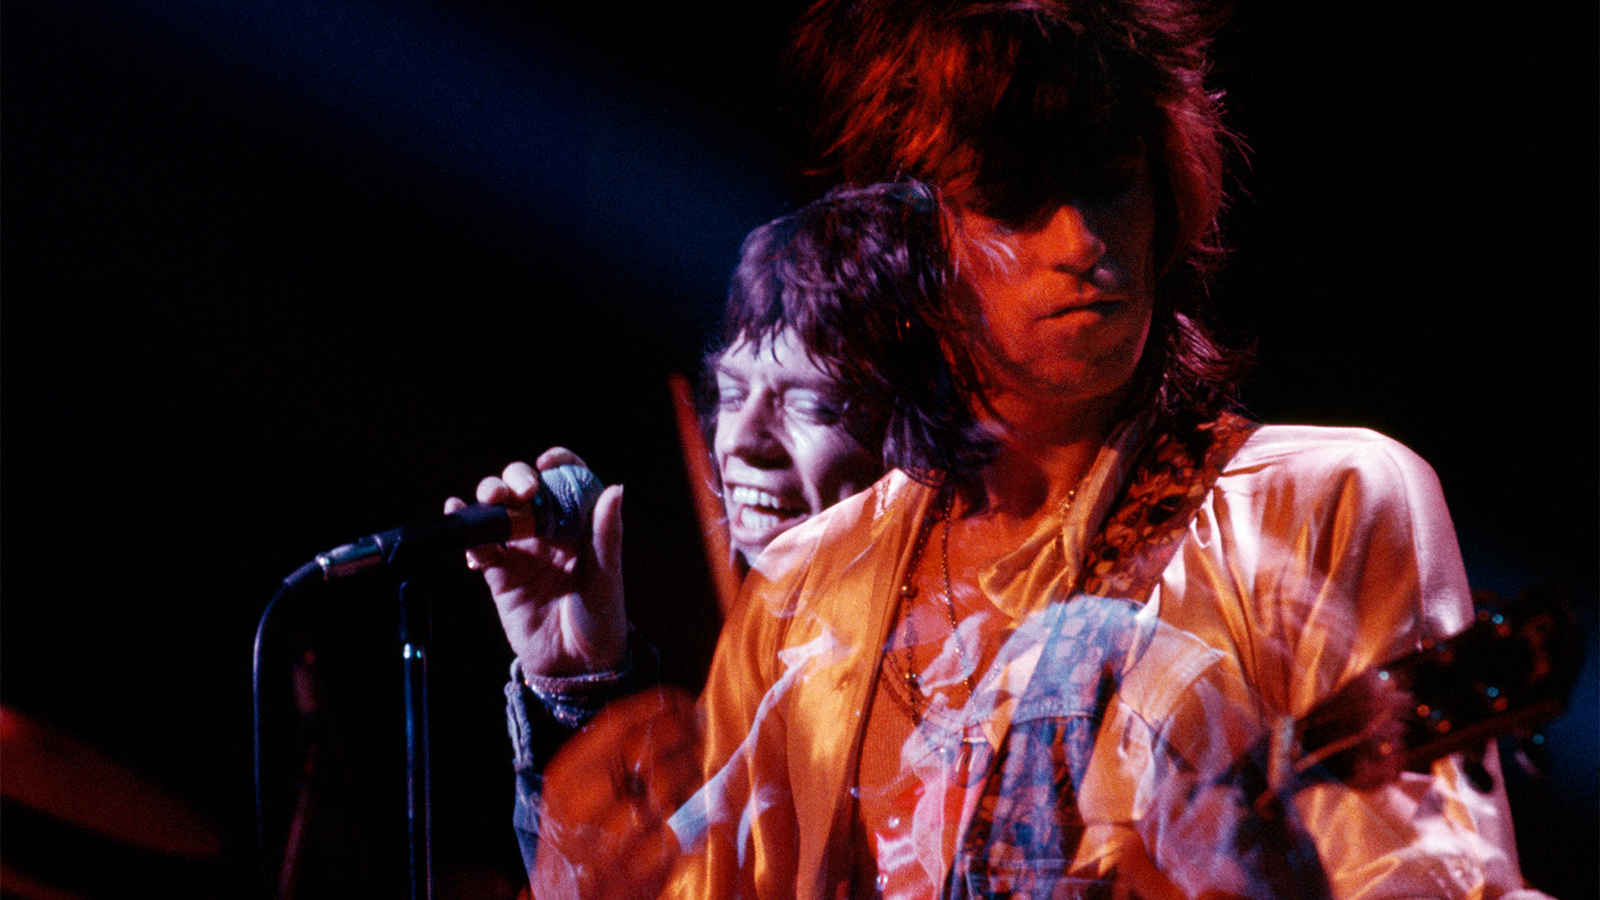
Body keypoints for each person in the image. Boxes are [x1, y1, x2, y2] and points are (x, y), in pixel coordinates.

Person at [479, 0, 1550, 896]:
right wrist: (582, 701)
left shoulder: (1324, 504)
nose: (1081, 242)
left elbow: (1432, 876)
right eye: (1016, 198)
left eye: (1109, 179)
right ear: (901, 239)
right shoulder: (803, 598)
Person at [445, 180, 950, 892]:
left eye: (808, 402)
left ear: (916, 431)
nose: (743, 441)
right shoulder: (761, 682)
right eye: (735, 393)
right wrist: (583, 689)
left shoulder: (966, 688)